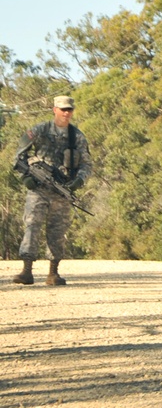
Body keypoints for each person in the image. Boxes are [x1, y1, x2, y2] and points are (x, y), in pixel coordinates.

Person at [12, 95, 92, 286]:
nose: (66, 113)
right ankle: (26, 271)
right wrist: (26, 177)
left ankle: (53, 273)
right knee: (32, 226)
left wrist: (79, 181)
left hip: (62, 190)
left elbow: (87, 164)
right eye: (63, 109)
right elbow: (18, 156)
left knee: (58, 230)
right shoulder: (39, 130)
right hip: (38, 189)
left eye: (69, 110)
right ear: (54, 109)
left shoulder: (77, 136)